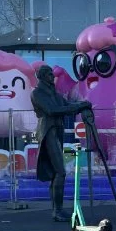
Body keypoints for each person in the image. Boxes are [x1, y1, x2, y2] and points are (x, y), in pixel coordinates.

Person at [32, 65, 92, 222]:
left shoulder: (54, 93)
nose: (52, 76)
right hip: (47, 132)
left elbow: (66, 106)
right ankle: (57, 210)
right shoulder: (37, 93)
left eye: (52, 74)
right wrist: (80, 105)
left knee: (56, 173)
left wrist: (82, 104)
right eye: (49, 74)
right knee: (60, 171)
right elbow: (52, 110)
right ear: (42, 76)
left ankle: (57, 210)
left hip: (56, 131)